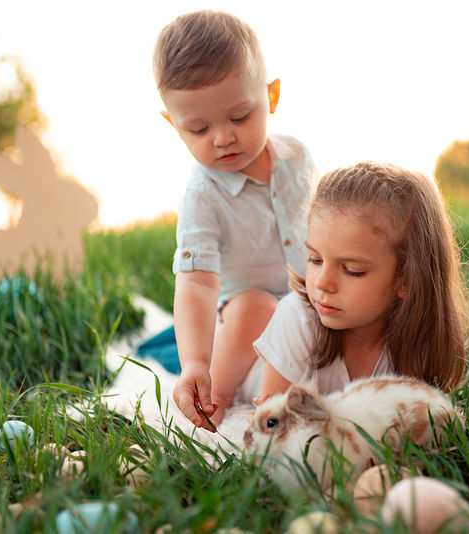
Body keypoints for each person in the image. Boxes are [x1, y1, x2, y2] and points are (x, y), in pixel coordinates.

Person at [152, 10, 318, 430]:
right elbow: (196, 281)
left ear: (272, 98)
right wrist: (195, 362)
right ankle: (216, 404)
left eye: (239, 117)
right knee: (252, 307)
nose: (222, 138)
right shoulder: (202, 195)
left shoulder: (297, 156)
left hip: (311, 298)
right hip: (248, 320)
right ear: (173, 126)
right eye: (198, 129)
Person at [251, 161, 469, 404]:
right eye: (315, 259)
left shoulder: (418, 344)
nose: (322, 283)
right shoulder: (298, 317)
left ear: (406, 279)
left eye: (352, 270)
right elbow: (272, 430)